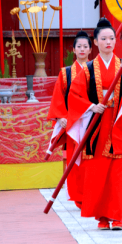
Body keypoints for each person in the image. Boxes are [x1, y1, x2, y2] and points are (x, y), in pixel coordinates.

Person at [66, 17, 122, 230]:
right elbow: (75, 95)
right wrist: (92, 107)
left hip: (117, 125)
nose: (109, 42)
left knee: (117, 175)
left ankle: (117, 217)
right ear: (96, 42)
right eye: (104, 38)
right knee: (98, 174)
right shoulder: (90, 68)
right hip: (97, 128)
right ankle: (101, 218)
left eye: (112, 38)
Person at [47, 30, 92, 208]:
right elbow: (59, 96)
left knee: (92, 158)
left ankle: (92, 193)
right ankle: (78, 196)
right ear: (73, 50)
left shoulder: (94, 71)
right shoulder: (66, 73)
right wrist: (60, 117)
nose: (82, 49)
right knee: (75, 159)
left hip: (91, 120)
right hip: (74, 122)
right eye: (78, 46)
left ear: (90, 50)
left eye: (85, 46)